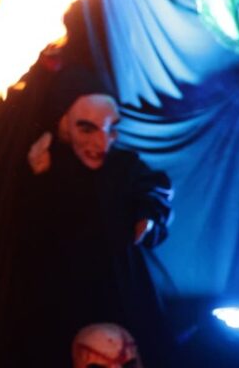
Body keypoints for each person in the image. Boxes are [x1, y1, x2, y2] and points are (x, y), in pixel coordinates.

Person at [11, 67, 173, 367]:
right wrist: (38, 182)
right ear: (63, 124)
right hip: (62, 301)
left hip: (121, 293)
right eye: (87, 129)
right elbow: (29, 235)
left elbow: (154, 190)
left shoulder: (124, 166)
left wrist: (149, 215)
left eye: (110, 130)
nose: (102, 143)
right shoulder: (46, 166)